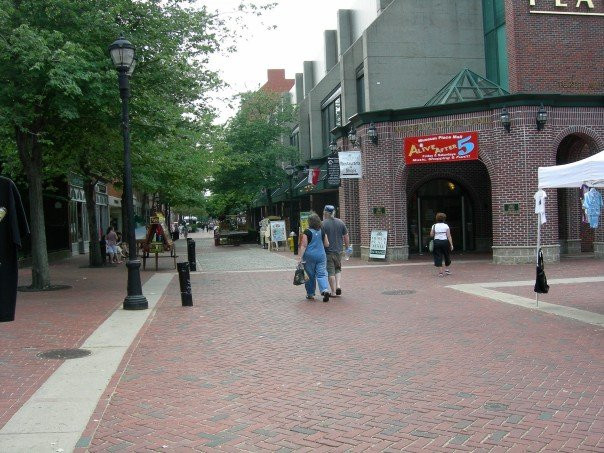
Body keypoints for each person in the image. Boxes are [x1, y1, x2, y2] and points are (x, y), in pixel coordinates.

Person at [298, 213, 331, 302]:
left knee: (310, 275)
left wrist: (300, 257)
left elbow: (304, 245)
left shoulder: (307, 232)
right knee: (321, 274)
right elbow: (327, 244)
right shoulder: (322, 231)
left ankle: (310, 294)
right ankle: (325, 290)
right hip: (321, 256)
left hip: (309, 257)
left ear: (309, 222)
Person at [321, 205, 350, 296]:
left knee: (330, 271)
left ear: (325, 213)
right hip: (339, 251)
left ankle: (333, 292)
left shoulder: (323, 224)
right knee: (338, 269)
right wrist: (347, 247)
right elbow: (346, 236)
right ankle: (338, 285)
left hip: (328, 251)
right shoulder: (340, 222)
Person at [430, 212, 453, 277]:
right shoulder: (446, 226)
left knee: (438, 256)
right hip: (445, 242)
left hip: (437, 242)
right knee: (447, 255)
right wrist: (451, 244)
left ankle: (440, 272)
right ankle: (447, 269)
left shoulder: (434, 226)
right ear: (444, 219)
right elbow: (449, 236)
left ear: (437, 218)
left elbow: (431, 235)